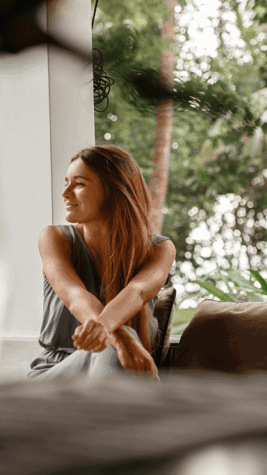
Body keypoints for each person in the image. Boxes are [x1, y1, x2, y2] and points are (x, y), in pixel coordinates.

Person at [28, 145, 176, 380]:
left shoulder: (159, 249)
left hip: (117, 378)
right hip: (55, 379)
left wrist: (111, 332)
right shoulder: (54, 238)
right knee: (115, 343)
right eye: (66, 183)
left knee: (112, 348)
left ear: (113, 191)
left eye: (79, 184)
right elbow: (75, 295)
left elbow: (137, 292)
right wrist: (121, 338)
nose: (65, 193)